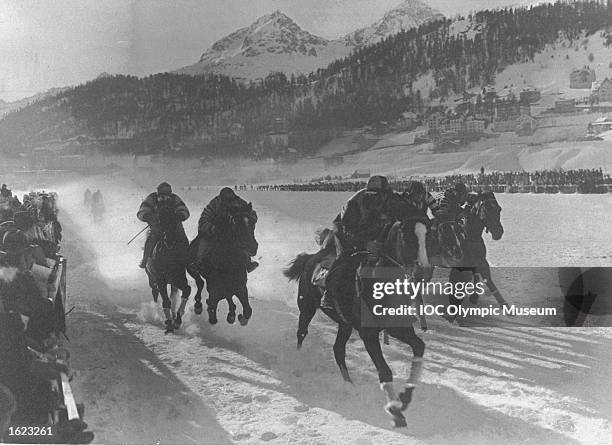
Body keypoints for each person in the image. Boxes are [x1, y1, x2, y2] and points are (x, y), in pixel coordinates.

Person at [321, 175, 395, 318]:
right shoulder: (354, 204)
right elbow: (348, 232)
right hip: (345, 229)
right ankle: (328, 295)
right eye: (371, 195)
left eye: (379, 195)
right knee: (346, 258)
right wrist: (365, 244)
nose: (376, 199)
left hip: (371, 229)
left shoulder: (390, 199)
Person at [194, 187, 258, 272]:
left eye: (231, 199)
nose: (229, 201)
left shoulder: (240, 202)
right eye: (226, 199)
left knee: (244, 241)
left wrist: (249, 219)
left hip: (234, 232)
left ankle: (247, 261)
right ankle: (199, 262)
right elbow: (203, 220)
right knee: (203, 240)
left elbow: (252, 213)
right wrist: (214, 228)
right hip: (217, 232)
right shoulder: (215, 203)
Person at [137, 182, 190, 269]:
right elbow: (142, 211)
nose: (165, 197)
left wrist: (178, 216)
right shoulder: (152, 198)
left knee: (183, 241)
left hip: (174, 226)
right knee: (151, 239)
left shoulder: (175, 198)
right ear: (158, 192)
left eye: (167, 193)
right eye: (163, 194)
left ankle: (188, 262)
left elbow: (184, 211)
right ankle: (145, 259)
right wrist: (149, 217)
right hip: (157, 227)